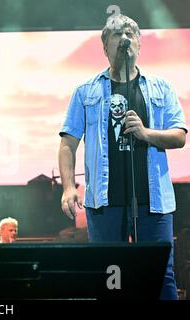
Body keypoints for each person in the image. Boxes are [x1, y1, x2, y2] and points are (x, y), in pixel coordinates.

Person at [58, 14, 187, 300]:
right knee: (109, 277)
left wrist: (145, 133)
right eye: (116, 34)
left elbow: (179, 136)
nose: (124, 39)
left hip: (152, 203)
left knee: (161, 276)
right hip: (105, 203)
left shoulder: (161, 88)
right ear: (105, 47)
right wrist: (68, 187)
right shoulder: (86, 91)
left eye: (130, 33)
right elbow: (68, 143)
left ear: (139, 44)